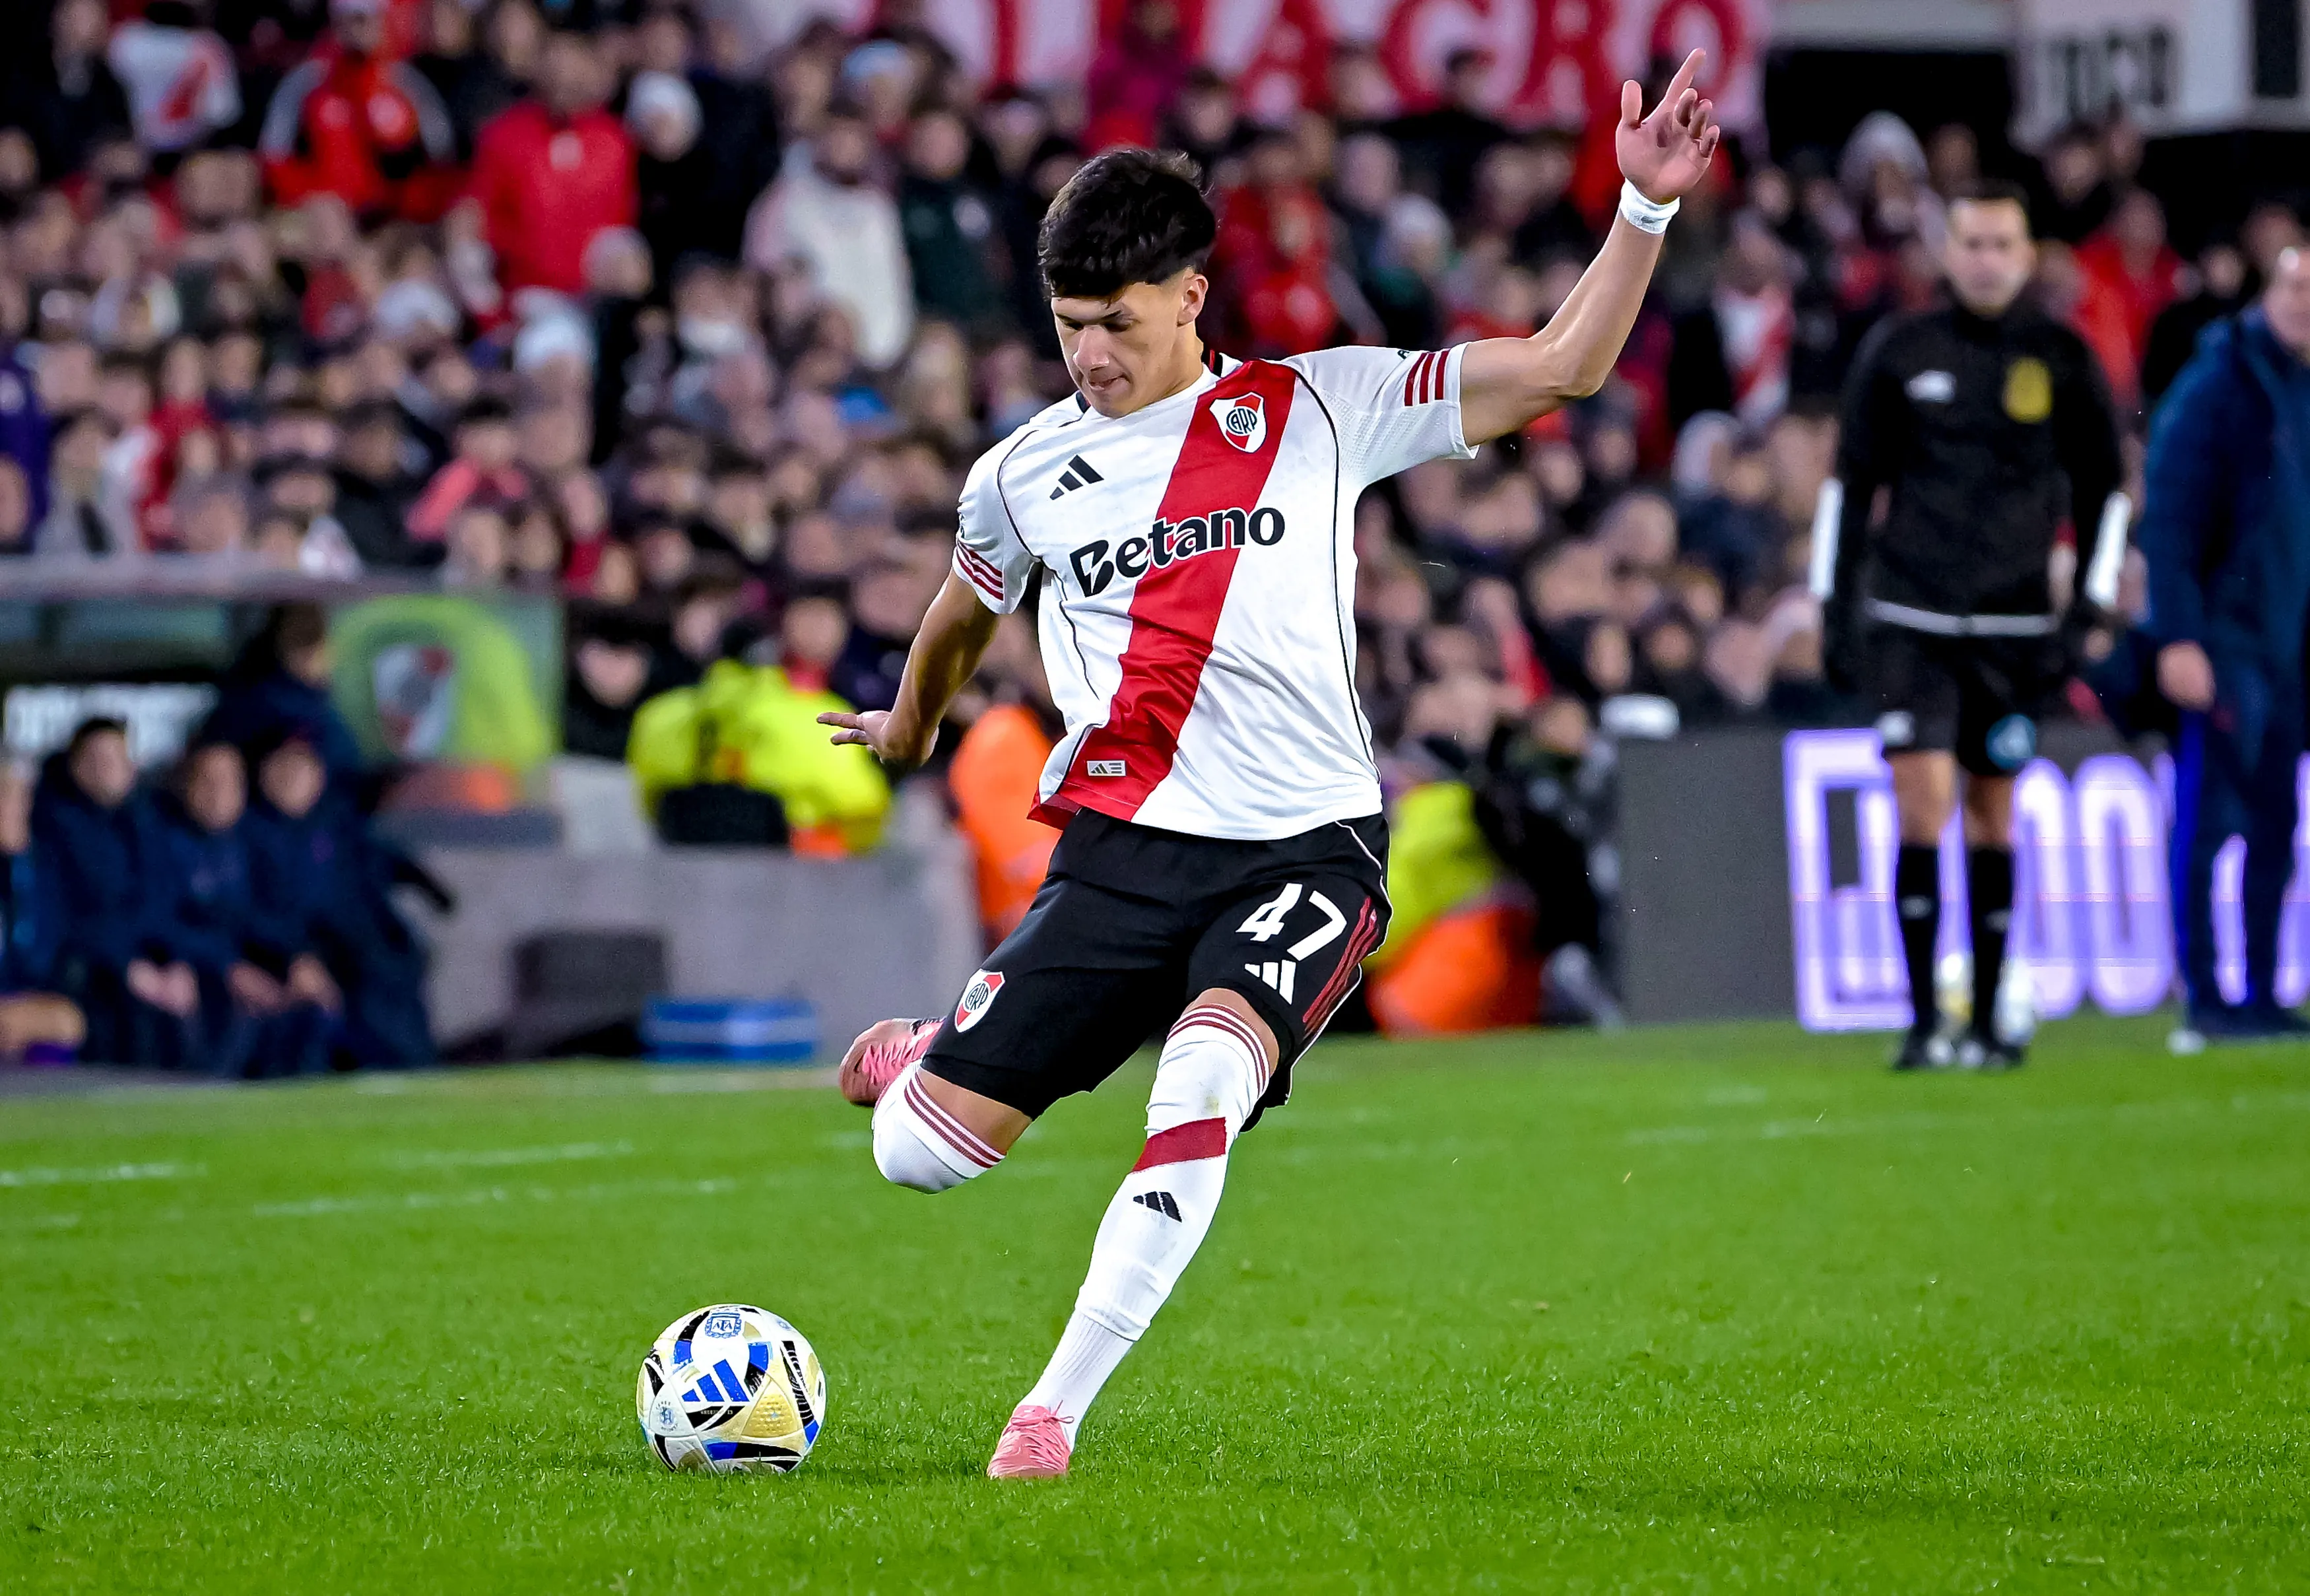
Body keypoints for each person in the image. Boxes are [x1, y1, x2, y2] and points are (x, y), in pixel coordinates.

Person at [817, 55, 1721, 1478]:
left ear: (1188, 298)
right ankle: (930, 1059)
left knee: (1202, 1085)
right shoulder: (1020, 473)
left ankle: (1050, 1412)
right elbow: (960, 610)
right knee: (919, 1154)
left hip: (1304, 851)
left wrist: (1641, 214)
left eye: (1115, 323)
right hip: (1120, 856)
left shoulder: (1322, 406)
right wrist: (908, 728)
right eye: (1066, 327)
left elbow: (1558, 367)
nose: (1090, 356)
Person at [1815, 180, 2127, 1071]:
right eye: (1973, 243)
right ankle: (1922, 1021)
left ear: (2027, 257)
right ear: (1948, 254)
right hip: (1911, 616)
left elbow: (2107, 489)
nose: (1987, 260)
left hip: (2017, 626)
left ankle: (1989, 1017)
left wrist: (2089, 608)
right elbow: (1849, 488)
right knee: (1923, 804)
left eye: (2003, 244)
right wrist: (1835, 607)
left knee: (1994, 813)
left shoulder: (2062, 357)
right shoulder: (1900, 350)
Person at [2137, 247, 2310, 1044]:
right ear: (2268, 290)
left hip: (2291, 641)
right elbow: (2168, 521)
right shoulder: (2217, 386)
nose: (2304, 302)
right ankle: (2205, 996)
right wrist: (2178, 635)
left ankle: (2265, 993)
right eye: (2294, 285)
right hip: (2225, 639)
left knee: (2276, 820)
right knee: (2210, 823)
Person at [29, 718, 203, 1067]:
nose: (107, 768)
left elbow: (165, 905)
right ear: (75, 767)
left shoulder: (147, 823)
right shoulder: (53, 827)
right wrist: (128, 967)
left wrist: (173, 962)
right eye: (95, 759)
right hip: (89, 968)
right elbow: (66, 918)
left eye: (115, 758)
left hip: (149, 962)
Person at [152, 741, 333, 1077]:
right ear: (185, 786)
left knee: (312, 1002)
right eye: (206, 780)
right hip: (197, 969)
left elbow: (269, 919)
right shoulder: (163, 843)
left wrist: (297, 957)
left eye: (229, 781)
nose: (218, 792)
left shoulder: (254, 845)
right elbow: (160, 922)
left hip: (253, 964)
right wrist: (227, 966)